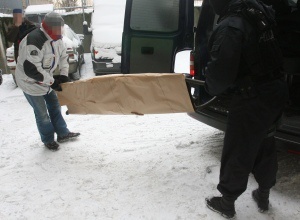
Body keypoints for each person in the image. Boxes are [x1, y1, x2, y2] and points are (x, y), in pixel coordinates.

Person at [204, 0, 289, 218]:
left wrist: (209, 86)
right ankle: (263, 194)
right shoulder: (257, 11)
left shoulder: (231, 25)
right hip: (275, 89)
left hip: (253, 97)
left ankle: (227, 202)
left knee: (239, 149)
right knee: (265, 143)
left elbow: (220, 75)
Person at [15, 11, 80, 151]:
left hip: (45, 80)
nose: (60, 31)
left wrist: (63, 74)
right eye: (57, 29)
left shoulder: (56, 39)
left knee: (55, 106)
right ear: (48, 27)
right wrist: (52, 82)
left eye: (61, 28)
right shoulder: (34, 41)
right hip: (30, 83)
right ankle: (48, 139)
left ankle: (63, 133)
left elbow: (64, 56)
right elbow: (32, 69)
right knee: (42, 114)